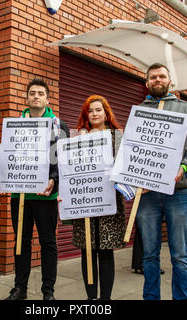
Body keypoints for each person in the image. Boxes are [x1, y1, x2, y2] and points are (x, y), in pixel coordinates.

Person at [135, 63, 187, 300]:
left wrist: (184, 167)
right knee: (149, 253)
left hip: (179, 191)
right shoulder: (139, 110)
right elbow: (133, 149)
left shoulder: (186, 108)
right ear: (147, 83)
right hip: (148, 193)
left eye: (162, 76)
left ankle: (181, 297)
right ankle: (151, 297)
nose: (158, 79)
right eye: (153, 77)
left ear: (170, 81)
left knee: (179, 253)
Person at [4, 78, 69, 300]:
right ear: (26, 97)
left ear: (48, 99)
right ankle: (19, 288)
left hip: (46, 195)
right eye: (32, 93)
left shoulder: (59, 126)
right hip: (20, 195)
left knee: (48, 242)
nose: (36, 96)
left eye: (40, 93)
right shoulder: (14, 124)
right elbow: (8, 156)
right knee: (21, 241)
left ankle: (48, 292)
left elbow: (63, 159)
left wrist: (54, 180)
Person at [71, 95, 126, 300]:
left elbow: (125, 167)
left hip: (109, 203)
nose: (94, 114)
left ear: (106, 113)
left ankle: (105, 299)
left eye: (98, 110)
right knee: (87, 250)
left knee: (105, 250)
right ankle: (91, 298)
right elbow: (70, 171)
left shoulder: (117, 137)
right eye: (90, 111)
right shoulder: (77, 139)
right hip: (84, 202)